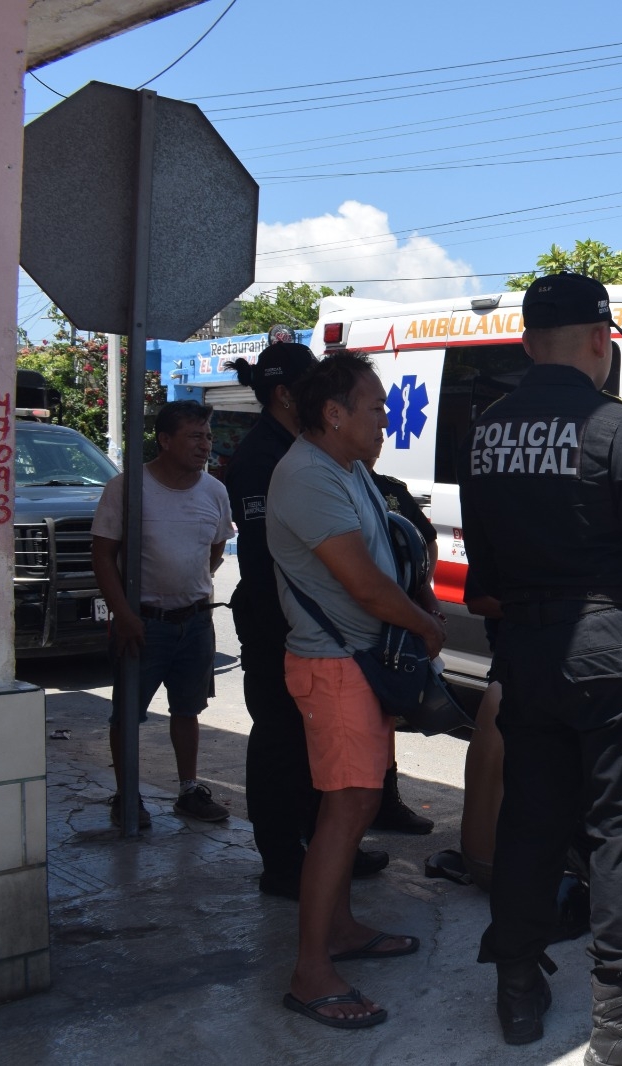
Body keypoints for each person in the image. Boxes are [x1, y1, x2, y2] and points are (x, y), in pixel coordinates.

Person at [458, 272, 622, 1064]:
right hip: (614, 658)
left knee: (532, 821)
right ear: (604, 343)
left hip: (529, 657)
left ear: (529, 342)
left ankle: (516, 989)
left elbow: (484, 574)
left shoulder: (487, 431)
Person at [267, 351, 443, 1029]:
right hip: (335, 666)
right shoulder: (308, 476)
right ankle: (312, 972)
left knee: (357, 805)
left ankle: (338, 930)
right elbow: (363, 584)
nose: (386, 419)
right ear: (333, 414)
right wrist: (428, 625)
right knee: (345, 812)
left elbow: (390, 556)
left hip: (358, 661)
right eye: (376, 408)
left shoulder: (346, 469)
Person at [226, 344, 391, 899]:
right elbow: (268, 559)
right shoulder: (269, 459)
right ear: (292, 396)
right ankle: (283, 860)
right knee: (280, 746)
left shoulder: (330, 458)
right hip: (282, 624)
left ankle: (324, 852)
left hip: (321, 630)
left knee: (329, 769)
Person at [90, 399, 235, 828]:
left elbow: (215, 550)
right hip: (143, 623)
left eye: (207, 436)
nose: (204, 445)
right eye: (195, 436)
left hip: (195, 621)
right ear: (166, 440)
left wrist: (190, 591)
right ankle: (127, 795)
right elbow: (102, 556)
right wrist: (125, 613)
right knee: (128, 713)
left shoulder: (214, 491)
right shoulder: (127, 487)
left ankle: (189, 790)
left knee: (188, 709)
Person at [366, 463, 440, 835]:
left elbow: (425, 540)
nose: (379, 433)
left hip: (398, 615)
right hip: (357, 619)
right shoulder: (332, 482)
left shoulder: (391, 489)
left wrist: (419, 592)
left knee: (387, 712)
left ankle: (386, 800)